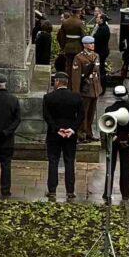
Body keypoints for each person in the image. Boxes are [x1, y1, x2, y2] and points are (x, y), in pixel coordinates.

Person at [42, 73, 83, 201]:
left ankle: (52, 190)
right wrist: (72, 129)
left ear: (58, 82)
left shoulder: (48, 97)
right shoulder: (76, 97)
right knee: (69, 161)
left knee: (53, 161)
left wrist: (57, 129)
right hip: (70, 134)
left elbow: (47, 116)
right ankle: (70, 191)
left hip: (54, 134)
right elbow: (81, 116)